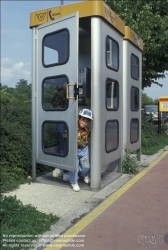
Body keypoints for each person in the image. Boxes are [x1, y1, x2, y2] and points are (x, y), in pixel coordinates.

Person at [69, 109, 93, 192]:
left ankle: (85, 175)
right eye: (83, 120)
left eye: (87, 121)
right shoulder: (72, 127)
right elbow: (65, 135)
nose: (84, 122)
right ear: (78, 118)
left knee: (86, 165)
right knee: (74, 167)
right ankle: (74, 182)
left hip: (84, 149)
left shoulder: (86, 130)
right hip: (74, 149)